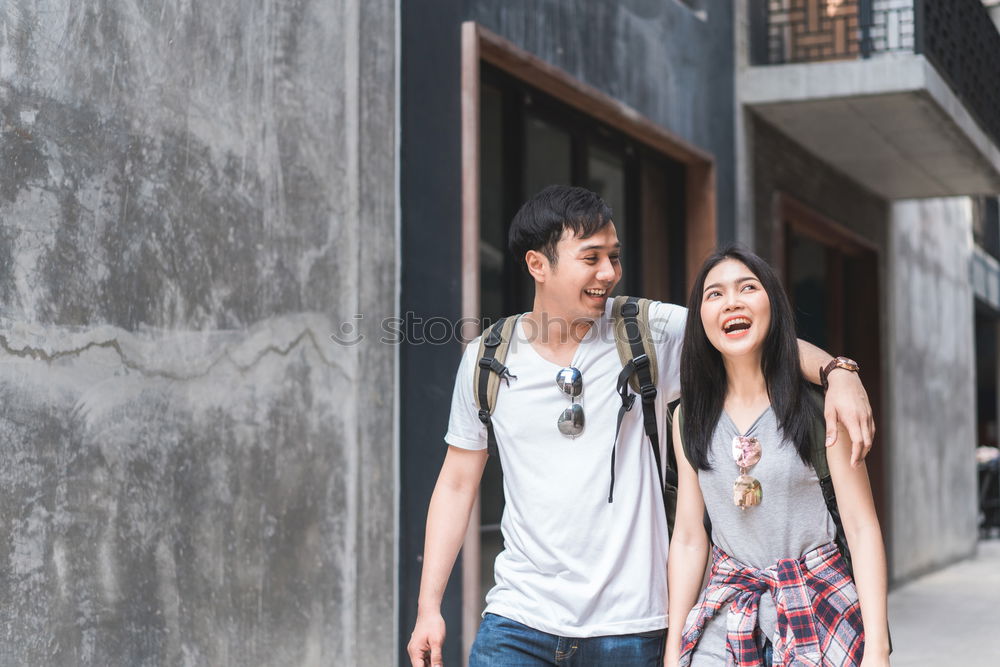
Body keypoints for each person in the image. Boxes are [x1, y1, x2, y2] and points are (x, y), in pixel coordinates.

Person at [407, 186, 874, 667]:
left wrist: (839, 372)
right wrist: (428, 608)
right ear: (537, 265)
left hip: (632, 629)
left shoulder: (649, 331)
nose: (609, 273)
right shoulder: (487, 357)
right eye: (591, 258)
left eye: (614, 256)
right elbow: (457, 484)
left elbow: (752, 334)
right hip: (518, 620)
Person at [664, 247, 889, 666]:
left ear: (773, 304)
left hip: (821, 609)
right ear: (701, 320)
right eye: (715, 294)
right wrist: (674, 648)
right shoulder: (686, 418)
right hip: (727, 616)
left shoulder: (821, 407)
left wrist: (877, 649)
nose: (732, 301)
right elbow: (691, 537)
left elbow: (861, 528)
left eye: (748, 287)